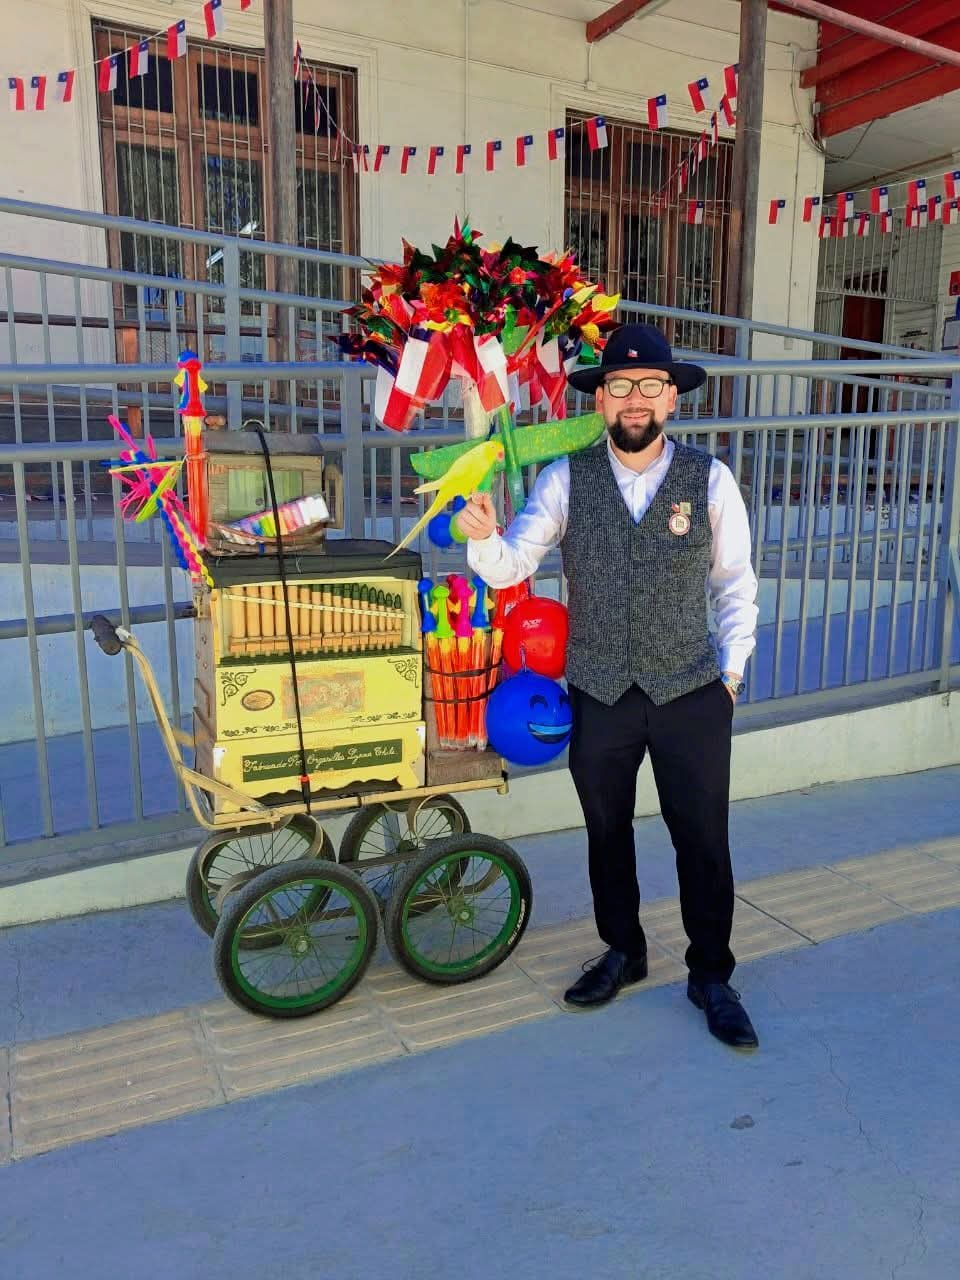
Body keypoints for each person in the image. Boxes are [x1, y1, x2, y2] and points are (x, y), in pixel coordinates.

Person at [461, 322, 760, 1050]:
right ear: (600, 400)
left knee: (703, 838)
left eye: (649, 386)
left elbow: (735, 583)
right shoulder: (566, 479)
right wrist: (482, 535)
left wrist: (730, 674)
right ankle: (624, 950)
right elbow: (511, 565)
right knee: (606, 832)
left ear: (672, 398)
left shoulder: (710, 479)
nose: (635, 399)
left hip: (691, 689)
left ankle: (712, 974)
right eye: (620, 386)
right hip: (600, 689)